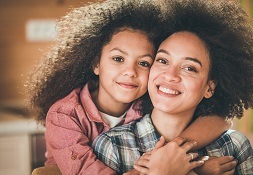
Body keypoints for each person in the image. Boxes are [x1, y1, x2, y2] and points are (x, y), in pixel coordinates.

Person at [26, 0, 233, 174]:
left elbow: (220, 120)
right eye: (118, 58)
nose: (130, 71)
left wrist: (174, 155)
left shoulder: (151, 99)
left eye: (143, 63)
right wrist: (193, 168)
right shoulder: (64, 115)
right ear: (96, 63)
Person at [93, 0, 253, 174]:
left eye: (189, 68)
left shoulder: (235, 146)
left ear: (209, 88)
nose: (170, 75)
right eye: (163, 60)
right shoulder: (111, 145)